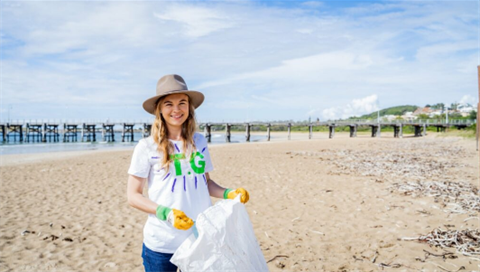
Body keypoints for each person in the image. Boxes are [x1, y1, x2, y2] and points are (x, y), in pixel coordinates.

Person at [126, 74, 250, 272]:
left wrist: (228, 193)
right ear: (159, 110)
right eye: (169, 104)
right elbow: (133, 196)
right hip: (162, 245)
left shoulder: (199, 141)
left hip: (199, 239)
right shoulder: (146, 147)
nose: (176, 109)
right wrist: (165, 212)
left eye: (182, 103)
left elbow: (205, 182)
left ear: (189, 108)